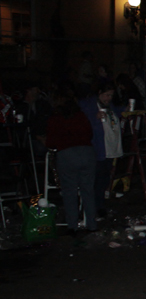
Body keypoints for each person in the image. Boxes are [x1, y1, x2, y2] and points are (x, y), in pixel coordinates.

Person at [46, 91, 96, 235]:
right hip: (87, 152)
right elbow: (89, 133)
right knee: (88, 190)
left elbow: (51, 142)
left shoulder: (55, 119)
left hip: (66, 155)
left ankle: (72, 225)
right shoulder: (80, 116)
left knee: (69, 192)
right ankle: (91, 224)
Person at [80, 83, 123, 219]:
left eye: (111, 95)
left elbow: (118, 112)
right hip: (97, 148)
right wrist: (94, 118)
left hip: (110, 148)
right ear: (99, 93)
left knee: (104, 179)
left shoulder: (110, 106)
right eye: (106, 95)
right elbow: (83, 122)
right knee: (96, 179)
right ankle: (92, 207)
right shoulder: (89, 105)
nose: (108, 98)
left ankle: (100, 205)